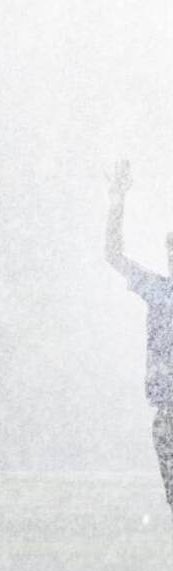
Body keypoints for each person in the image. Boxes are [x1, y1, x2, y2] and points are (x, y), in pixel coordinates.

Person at [105, 159, 173, 524]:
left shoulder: (161, 293)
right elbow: (114, 256)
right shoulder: (161, 292)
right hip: (167, 415)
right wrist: (116, 203)